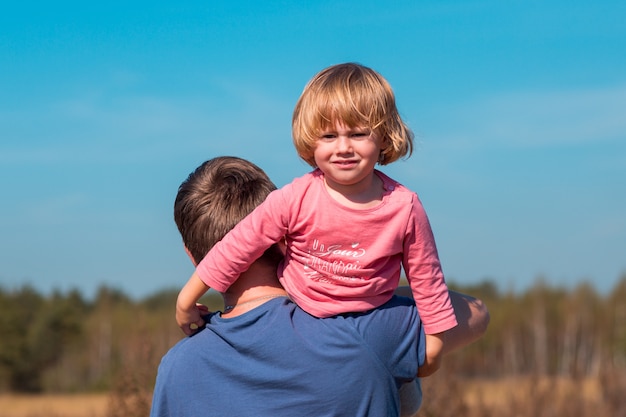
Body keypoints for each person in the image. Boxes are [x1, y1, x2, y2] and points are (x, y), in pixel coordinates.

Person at [151, 156, 489, 417]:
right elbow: (475, 313)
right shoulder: (367, 329)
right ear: (284, 233)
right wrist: (372, 297)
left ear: (193, 258)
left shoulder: (177, 368)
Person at [177, 63, 455, 375]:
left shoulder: (404, 207)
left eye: (359, 133)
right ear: (312, 140)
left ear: (385, 137)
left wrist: (434, 344)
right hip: (299, 314)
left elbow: (426, 279)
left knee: (398, 393)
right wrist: (187, 300)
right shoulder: (295, 198)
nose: (344, 147)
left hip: (372, 318)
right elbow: (236, 247)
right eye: (329, 135)